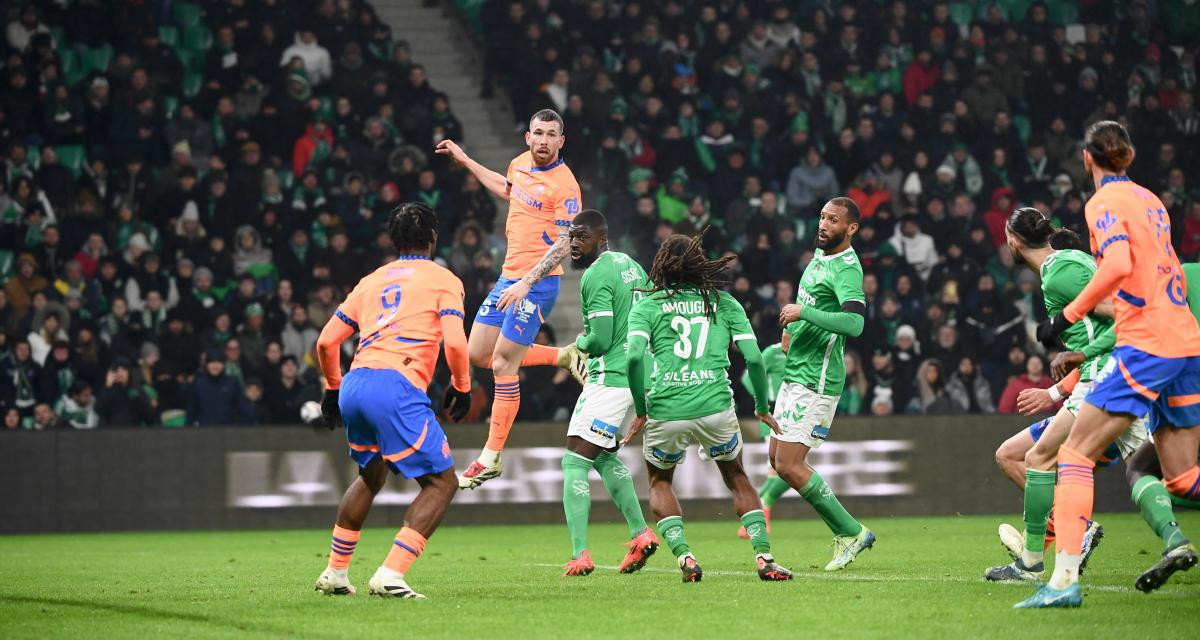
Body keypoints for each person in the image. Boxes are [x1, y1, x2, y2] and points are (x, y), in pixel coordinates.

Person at [1018, 121, 1200, 608]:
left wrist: (1068, 317)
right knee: (1182, 478)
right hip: (1185, 336)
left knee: (1074, 456)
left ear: (1086, 158)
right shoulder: (1151, 199)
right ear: (1130, 156)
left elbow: (1118, 266)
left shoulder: (1101, 204)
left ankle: (1062, 584)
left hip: (1148, 341)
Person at [312, 202, 473, 600]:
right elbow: (454, 340)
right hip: (396, 384)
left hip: (356, 381)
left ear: (393, 240)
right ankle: (390, 574)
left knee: (371, 474)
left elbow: (326, 341)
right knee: (441, 482)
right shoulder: (443, 279)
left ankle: (335, 572)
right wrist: (462, 385)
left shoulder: (371, 281)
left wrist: (333, 388)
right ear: (433, 238)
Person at [622, 230, 793, 583]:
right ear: (700, 265)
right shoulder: (725, 303)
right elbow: (755, 360)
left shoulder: (647, 305)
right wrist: (762, 406)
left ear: (662, 266)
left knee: (660, 481)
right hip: (715, 404)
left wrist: (641, 408)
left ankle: (685, 556)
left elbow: (635, 357)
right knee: (737, 478)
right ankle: (764, 557)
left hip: (666, 407)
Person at [988, 207, 1147, 583]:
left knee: (1038, 457)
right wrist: (1057, 390)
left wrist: (1072, 375)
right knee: (1017, 455)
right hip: (1100, 377)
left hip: (1107, 379)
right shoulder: (1063, 265)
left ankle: (1035, 559)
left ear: (1013, 241)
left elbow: (1119, 312)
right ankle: (1057, 542)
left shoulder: (1061, 272)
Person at [434, 109, 586, 488]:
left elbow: (569, 242)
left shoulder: (565, 185)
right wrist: (466, 160)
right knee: (477, 354)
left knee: (503, 364)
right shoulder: (520, 165)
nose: (545, 140)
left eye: (552, 134)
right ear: (528, 137)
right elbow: (506, 188)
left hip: (538, 283)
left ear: (561, 141)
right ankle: (564, 355)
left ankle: (490, 457)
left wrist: (526, 282)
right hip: (509, 278)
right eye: (539, 133)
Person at [773, 197, 876, 571]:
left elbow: (854, 324)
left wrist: (804, 314)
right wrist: (794, 330)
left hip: (816, 378)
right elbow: (813, 305)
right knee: (777, 459)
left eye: (833, 220)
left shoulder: (847, 269)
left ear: (851, 229)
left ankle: (851, 531)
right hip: (796, 369)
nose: (823, 224)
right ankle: (847, 531)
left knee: (788, 463)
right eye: (822, 217)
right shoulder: (820, 256)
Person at [558, 210, 659, 577]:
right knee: (601, 457)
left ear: (602, 238)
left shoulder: (597, 273)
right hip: (638, 375)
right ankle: (640, 533)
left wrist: (577, 344)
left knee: (574, 462)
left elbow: (599, 338)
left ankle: (580, 553)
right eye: (571, 236)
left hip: (611, 379)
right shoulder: (631, 265)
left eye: (582, 236)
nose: (574, 244)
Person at [736, 334, 790, 539]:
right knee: (789, 469)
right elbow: (748, 377)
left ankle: (751, 521)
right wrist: (765, 400)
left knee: (777, 472)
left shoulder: (800, 352)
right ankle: (763, 508)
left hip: (793, 414)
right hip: (776, 417)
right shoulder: (773, 352)